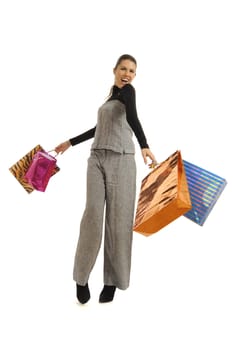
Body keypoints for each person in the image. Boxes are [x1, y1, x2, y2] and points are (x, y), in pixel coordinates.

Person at [54, 54, 157, 304]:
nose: (127, 73)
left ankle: (112, 281)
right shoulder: (111, 97)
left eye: (132, 70)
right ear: (114, 69)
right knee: (92, 216)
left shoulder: (128, 92)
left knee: (118, 221)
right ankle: (81, 277)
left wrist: (144, 145)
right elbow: (98, 128)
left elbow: (132, 118)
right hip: (97, 159)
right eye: (123, 68)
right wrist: (69, 142)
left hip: (122, 160)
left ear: (134, 76)